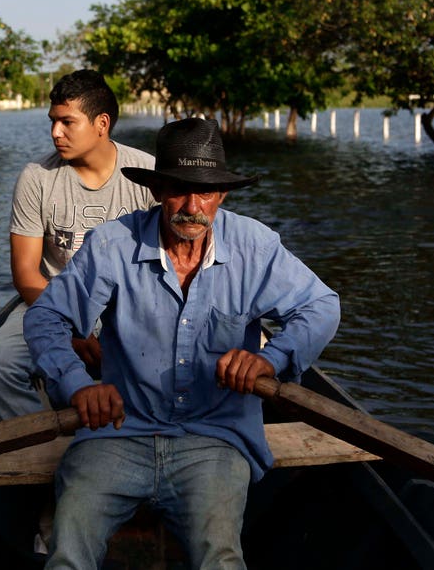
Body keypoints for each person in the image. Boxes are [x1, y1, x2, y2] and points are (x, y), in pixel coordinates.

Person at [24, 117, 340, 569]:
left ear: (223, 195)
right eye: (178, 190)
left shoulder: (255, 246)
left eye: (206, 192)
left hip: (216, 439)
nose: (193, 206)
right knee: (68, 553)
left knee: (220, 558)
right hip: (120, 433)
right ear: (156, 191)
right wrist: (77, 386)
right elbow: (46, 318)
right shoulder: (113, 244)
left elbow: (322, 307)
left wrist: (270, 359)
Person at [0, 69, 155, 420]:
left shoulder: (146, 174)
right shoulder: (37, 178)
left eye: (67, 122)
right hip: (51, 301)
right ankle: (40, 449)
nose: (55, 133)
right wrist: (72, 326)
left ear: (101, 123)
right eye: (53, 122)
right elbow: (27, 273)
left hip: (129, 303)